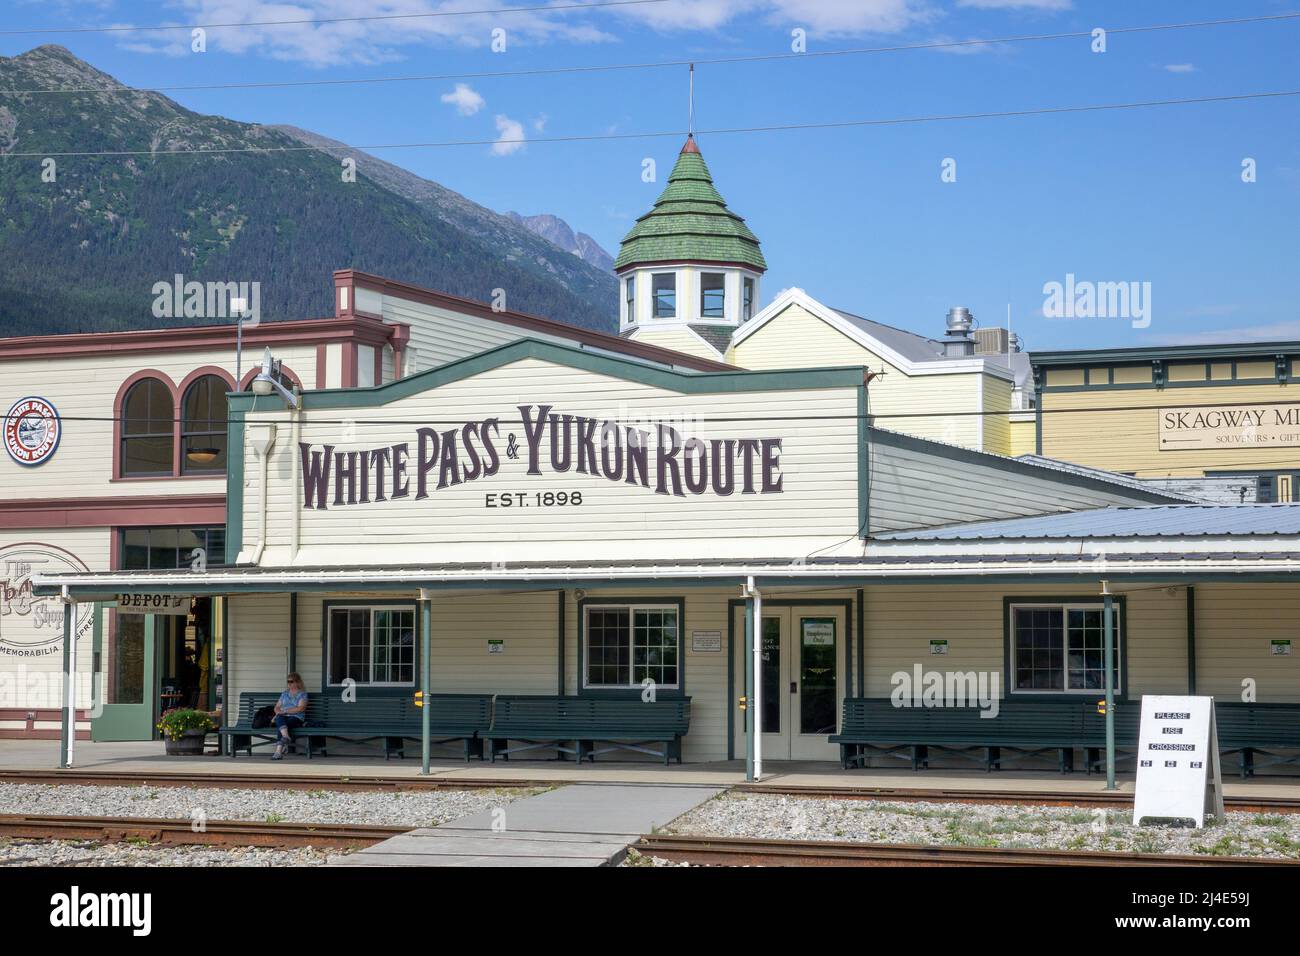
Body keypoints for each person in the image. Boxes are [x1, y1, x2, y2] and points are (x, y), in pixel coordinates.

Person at [272, 673, 308, 760]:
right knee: (281, 721)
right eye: (288, 681)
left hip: (296, 718)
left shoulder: (302, 694)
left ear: (297, 682)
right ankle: (286, 737)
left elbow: (300, 709)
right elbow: (277, 707)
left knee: (281, 724)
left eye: (291, 681)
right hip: (283, 717)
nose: (289, 684)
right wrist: (278, 712)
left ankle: (278, 751)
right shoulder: (284, 693)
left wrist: (284, 711)